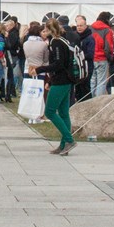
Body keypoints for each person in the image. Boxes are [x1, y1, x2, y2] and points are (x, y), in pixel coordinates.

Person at [31, 17, 78, 155]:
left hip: (61, 81)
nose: (43, 33)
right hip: (66, 79)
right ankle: (64, 144)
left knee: (50, 111)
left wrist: (40, 69)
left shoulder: (56, 42)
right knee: (64, 113)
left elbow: (58, 64)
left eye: (45, 30)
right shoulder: (63, 40)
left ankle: (69, 140)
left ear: (51, 30)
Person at [89, 11, 114, 97]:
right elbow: (108, 47)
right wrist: (110, 57)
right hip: (102, 58)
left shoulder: (90, 28)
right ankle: (98, 102)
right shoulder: (107, 30)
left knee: (92, 80)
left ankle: (91, 100)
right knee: (101, 82)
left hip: (91, 57)